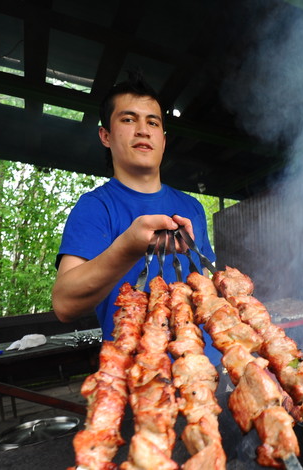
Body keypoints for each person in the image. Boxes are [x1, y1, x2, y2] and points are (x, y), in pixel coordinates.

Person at [51, 73, 220, 362]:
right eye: (129, 120)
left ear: (163, 141)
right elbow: (64, 305)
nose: (143, 130)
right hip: (136, 380)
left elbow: (207, 285)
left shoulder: (191, 207)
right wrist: (128, 246)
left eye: (152, 122)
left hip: (203, 369)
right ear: (105, 135)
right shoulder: (94, 208)